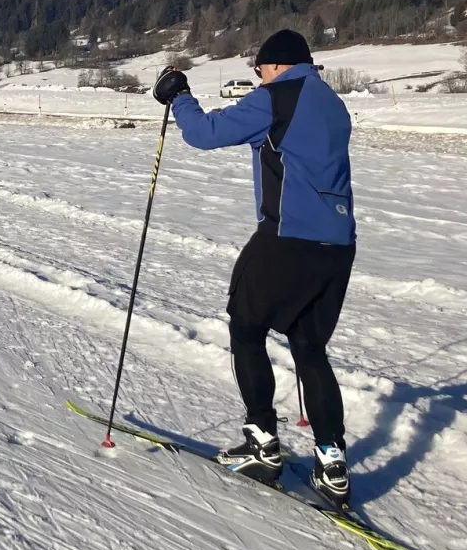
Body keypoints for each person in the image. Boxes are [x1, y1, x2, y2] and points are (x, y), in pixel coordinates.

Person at [152, 29, 356, 505]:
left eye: (260, 68)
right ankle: (332, 463)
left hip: (287, 238)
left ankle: (262, 443)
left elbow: (204, 134)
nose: (258, 77)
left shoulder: (276, 98)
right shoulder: (333, 103)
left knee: (246, 328)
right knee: (309, 349)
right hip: (338, 243)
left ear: (277, 65)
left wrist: (179, 96)